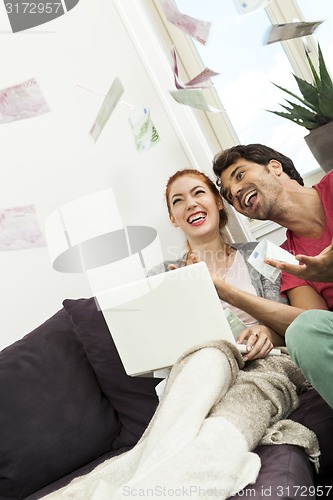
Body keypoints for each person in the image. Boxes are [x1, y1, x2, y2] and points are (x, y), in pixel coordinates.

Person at [212, 143, 333, 408]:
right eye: (230, 196)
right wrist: (226, 292)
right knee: (303, 331)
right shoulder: (286, 260)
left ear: (275, 167)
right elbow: (312, 324)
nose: (235, 192)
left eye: (240, 175)